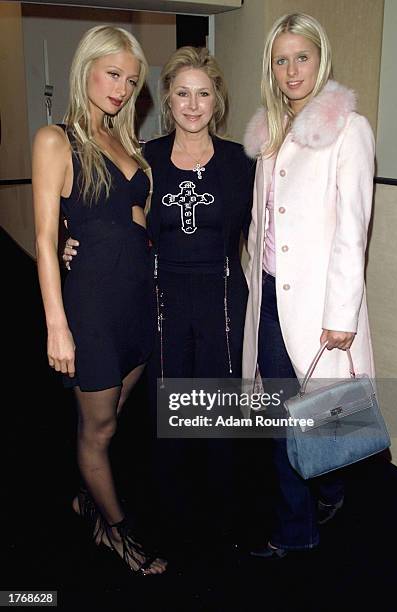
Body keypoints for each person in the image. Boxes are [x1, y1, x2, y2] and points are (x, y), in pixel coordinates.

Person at [64, 46, 255, 542]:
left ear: (218, 100)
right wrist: (72, 239)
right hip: (161, 296)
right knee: (167, 406)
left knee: (216, 405)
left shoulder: (242, 162)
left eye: (204, 94)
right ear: (166, 99)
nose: (193, 105)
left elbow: (270, 230)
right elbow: (107, 209)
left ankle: (222, 510)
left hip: (222, 298)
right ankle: (171, 510)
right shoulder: (144, 158)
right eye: (182, 94)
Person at [32, 25, 166, 575]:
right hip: (90, 308)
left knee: (110, 418)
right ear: (85, 67)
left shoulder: (125, 142)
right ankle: (116, 532)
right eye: (112, 74)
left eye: (131, 81)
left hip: (135, 301)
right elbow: (42, 239)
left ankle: (89, 491)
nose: (121, 88)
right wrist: (56, 325)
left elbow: (136, 226)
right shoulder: (54, 140)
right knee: (100, 429)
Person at [242, 13, 375, 557]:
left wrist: (340, 315)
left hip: (321, 305)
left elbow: (353, 228)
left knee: (320, 413)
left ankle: (295, 532)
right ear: (270, 68)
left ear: (321, 61)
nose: (292, 70)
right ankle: (320, 498)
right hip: (270, 295)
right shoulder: (269, 133)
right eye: (281, 59)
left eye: (302, 57)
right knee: (285, 416)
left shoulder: (350, 129)